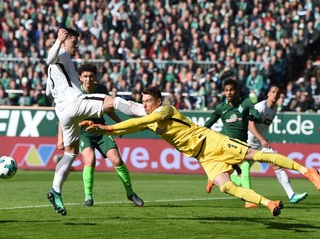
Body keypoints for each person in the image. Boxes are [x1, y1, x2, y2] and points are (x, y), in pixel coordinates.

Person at [80, 86, 320, 217]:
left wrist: (107, 127)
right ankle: (269, 203)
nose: (144, 105)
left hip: (211, 141)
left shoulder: (165, 110)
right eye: (142, 102)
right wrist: (104, 130)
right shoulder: (151, 120)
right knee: (226, 186)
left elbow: (132, 124)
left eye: (147, 101)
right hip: (203, 157)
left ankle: (307, 171)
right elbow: (132, 127)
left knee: (255, 155)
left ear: (158, 101)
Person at [45, 28, 146, 216]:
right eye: (74, 42)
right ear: (65, 41)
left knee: (70, 154)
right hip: (74, 104)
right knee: (114, 101)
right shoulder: (62, 54)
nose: (77, 46)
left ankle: (55, 190)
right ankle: (148, 111)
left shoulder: (53, 70)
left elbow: (48, 92)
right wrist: (59, 41)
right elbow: (50, 58)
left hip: (65, 114)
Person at [57, 64, 144, 207]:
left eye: (91, 76)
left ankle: (130, 193)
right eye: (85, 76)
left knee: (117, 160)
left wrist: (119, 125)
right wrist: (60, 138)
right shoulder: (74, 93)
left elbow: (109, 109)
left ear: (95, 77)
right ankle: (88, 197)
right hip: (83, 132)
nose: (88, 79)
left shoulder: (102, 90)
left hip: (101, 130)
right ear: (80, 78)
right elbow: (64, 116)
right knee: (90, 160)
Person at [204, 78, 263, 209]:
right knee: (246, 167)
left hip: (242, 146)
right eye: (226, 90)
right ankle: (249, 200)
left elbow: (258, 117)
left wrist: (252, 117)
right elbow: (208, 123)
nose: (229, 93)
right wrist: (199, 133)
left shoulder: (246, 103)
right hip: (227, 146)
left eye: (231, 90)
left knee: (234, 175)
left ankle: (213, 178)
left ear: (237, 90)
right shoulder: (221, 108)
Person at [247, 85, 308, 204]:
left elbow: (263, 127)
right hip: (248, 145)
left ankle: (292, 195)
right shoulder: (260, 107)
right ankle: (214, 179)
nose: (275, 94)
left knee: (277, 165)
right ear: (268, 94)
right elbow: (250, 125)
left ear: (280, 96)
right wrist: (261, 139)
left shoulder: (274, 109)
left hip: (260, 145)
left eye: (277, 93)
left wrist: (264, 140)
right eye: (273, 92)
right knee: (235, 173)